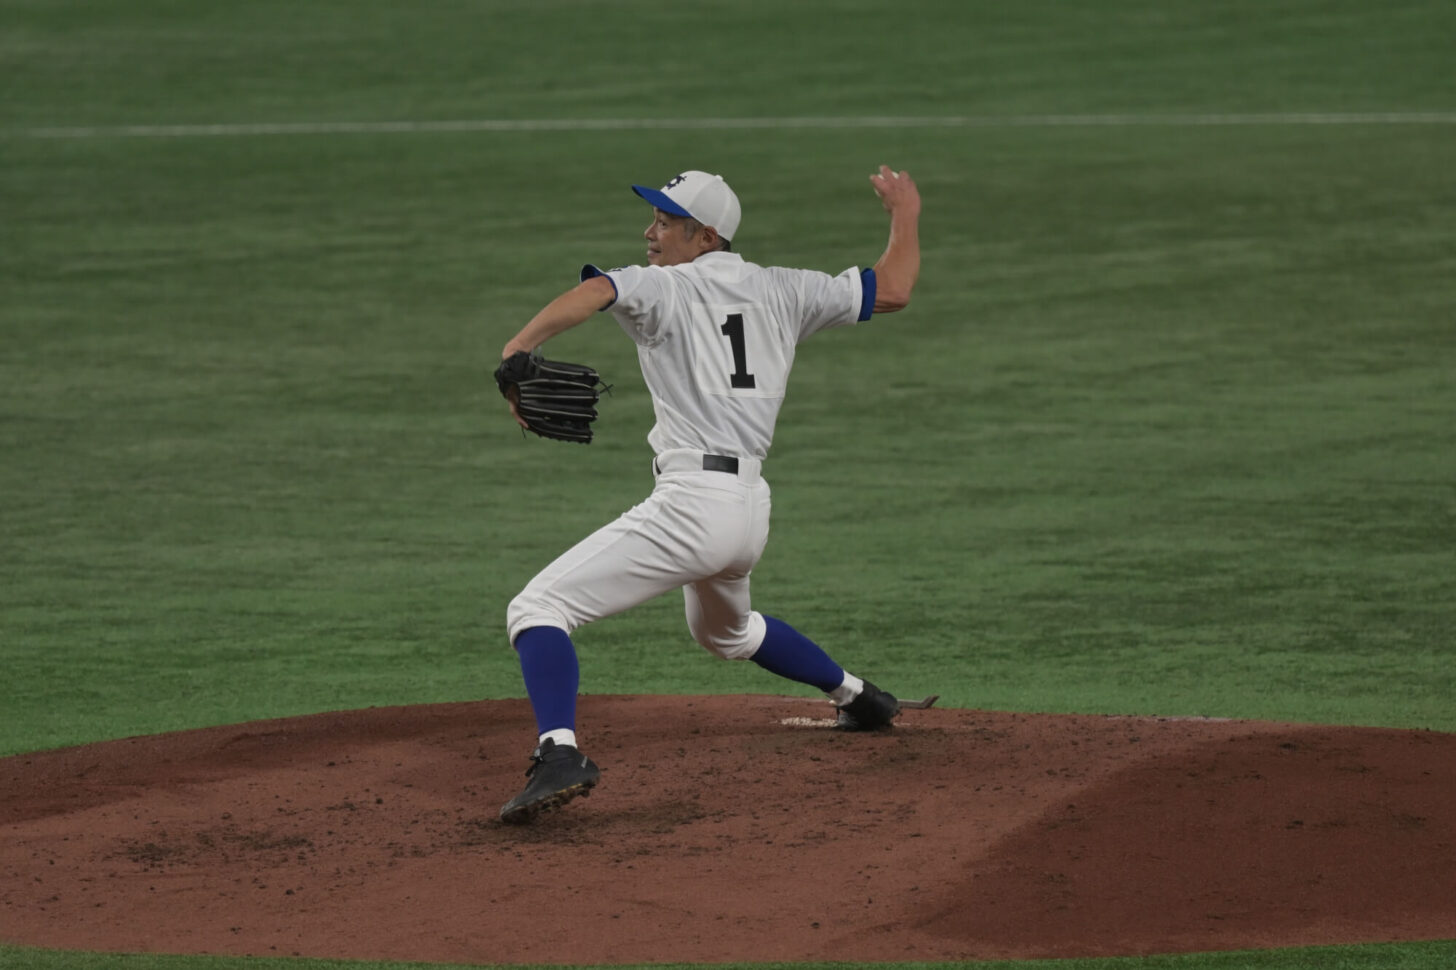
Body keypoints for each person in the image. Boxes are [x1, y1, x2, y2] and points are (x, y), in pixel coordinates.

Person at [497, 165, 922, 823]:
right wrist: (906, 211)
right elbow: (892, 290)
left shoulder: (661, 287)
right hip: (749, 512)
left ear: (706, 236)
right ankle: (859, 696)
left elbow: (597, 292)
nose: (651, 231)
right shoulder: (786, 288)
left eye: (666, 220)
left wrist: (521, 345)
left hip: (693, 506)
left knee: (537, 608)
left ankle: (560, 752)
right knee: (728, 634)